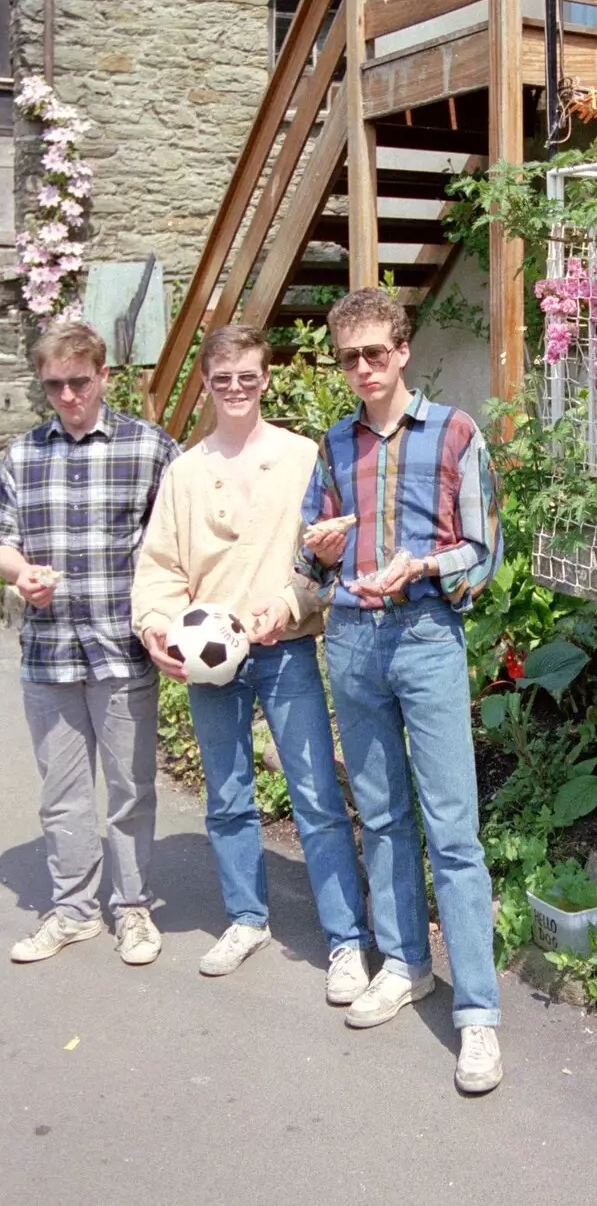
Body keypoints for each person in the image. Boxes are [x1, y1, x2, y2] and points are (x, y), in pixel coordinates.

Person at [292, 287, 504, 1096]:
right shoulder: (335, 443)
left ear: (403, 350)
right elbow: (314, 565)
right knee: (379, 814)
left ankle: (478, 1013)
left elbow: (482, 553)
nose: (363, 370)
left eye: (375, 353)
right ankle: (406, 964)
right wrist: (315, 548)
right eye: (349, 358)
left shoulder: (454, 432)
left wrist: (422, 565)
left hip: (423, 638)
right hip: (350, 640)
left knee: (453, 828)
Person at [131, 323, 370, 998]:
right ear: (204, 384)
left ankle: (345, 939)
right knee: (228, 795)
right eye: (221, 378)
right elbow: (160, 568)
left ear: (266, 378)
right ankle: (245, 917)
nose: (236, 388)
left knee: (317, 795)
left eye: (248, 376)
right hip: (211, 663)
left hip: (285, 650)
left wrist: (287, 607)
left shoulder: (302, 458)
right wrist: (157, 630)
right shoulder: (185, 471)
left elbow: (327, 554)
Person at [0, 320, 179, 967]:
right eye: (54, 386)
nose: (69, 396)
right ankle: (72, 910)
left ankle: (132, 908)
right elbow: (3, 539)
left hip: (121, 649)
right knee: (62, 791)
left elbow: (178, 542)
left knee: (130, 788)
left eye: (79, 381)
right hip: (48, 654)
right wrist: (21, 573)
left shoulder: (152, 448)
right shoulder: (20, 457)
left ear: (104, 376)